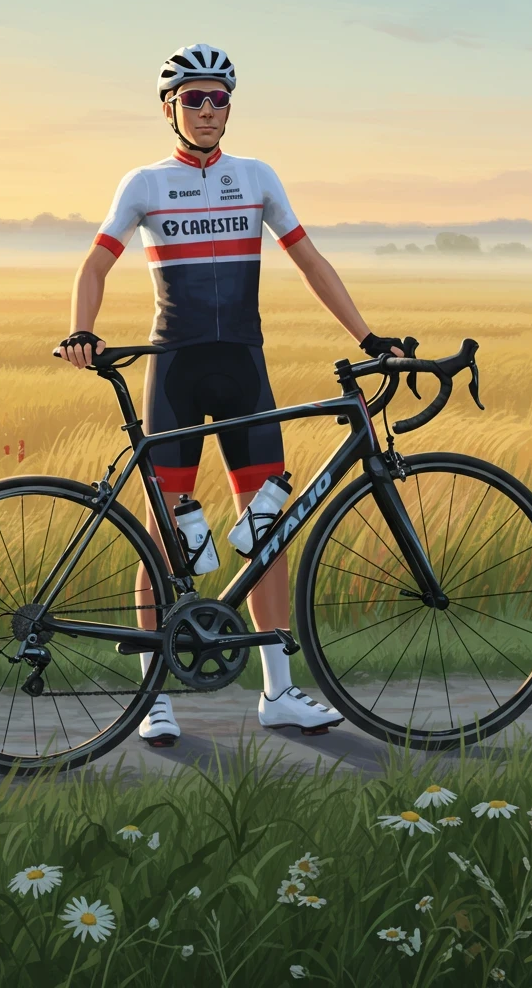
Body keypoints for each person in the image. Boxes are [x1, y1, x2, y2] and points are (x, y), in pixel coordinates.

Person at [59, 44, 404, 746]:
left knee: (268, 527)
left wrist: (369, 338)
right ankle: (154, 698)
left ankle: (278, 692)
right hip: (176, 370)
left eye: (219, 98)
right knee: (161, 532)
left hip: (244, 366)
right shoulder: (146, 184)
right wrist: (81, 330)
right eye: (193, 98)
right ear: (169, 109)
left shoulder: (255, 177)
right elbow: (95, 263)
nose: (208, 110)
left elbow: (309, 259)